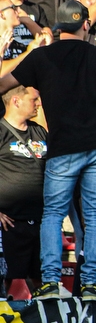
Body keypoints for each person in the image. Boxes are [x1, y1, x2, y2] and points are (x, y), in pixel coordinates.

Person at [0, 0, 96, 300]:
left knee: (53, 214)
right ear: (85, 24)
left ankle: (50, 281)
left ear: (59, 27)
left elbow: (3, 84)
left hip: (63, 149)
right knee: (95, 214)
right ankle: (89, 284)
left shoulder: (40, 57)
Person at [0, 85, 46, 291]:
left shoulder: (39, 131)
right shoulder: (1, 131)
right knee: (8, 280)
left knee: (42, 281)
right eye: (34, 100)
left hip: (41, 221)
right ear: (16, 101)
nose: (38, 104)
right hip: (9, 222)